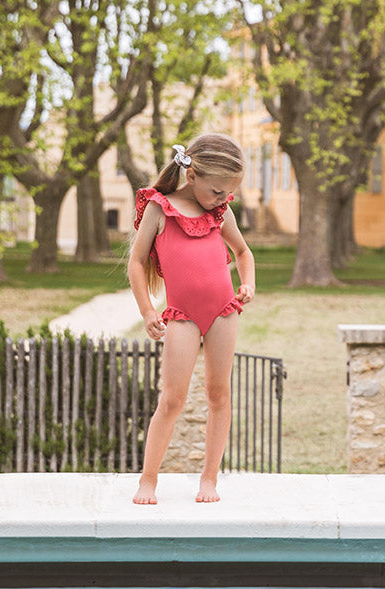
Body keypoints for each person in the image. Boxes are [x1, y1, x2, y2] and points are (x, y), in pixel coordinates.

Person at [127, 132, 255, 504]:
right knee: (172, 399)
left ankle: (209, 479)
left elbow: (243, 253)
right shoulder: (159, 208)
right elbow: (136, 262)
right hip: (181, 317)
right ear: (192, 175)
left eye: (228, 193)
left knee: (219, 394)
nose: (222, 199)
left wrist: (247, 284)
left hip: (223, 313)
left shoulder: (220, 212)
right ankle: (148, 480)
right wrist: (148, 310)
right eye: (217, 190)